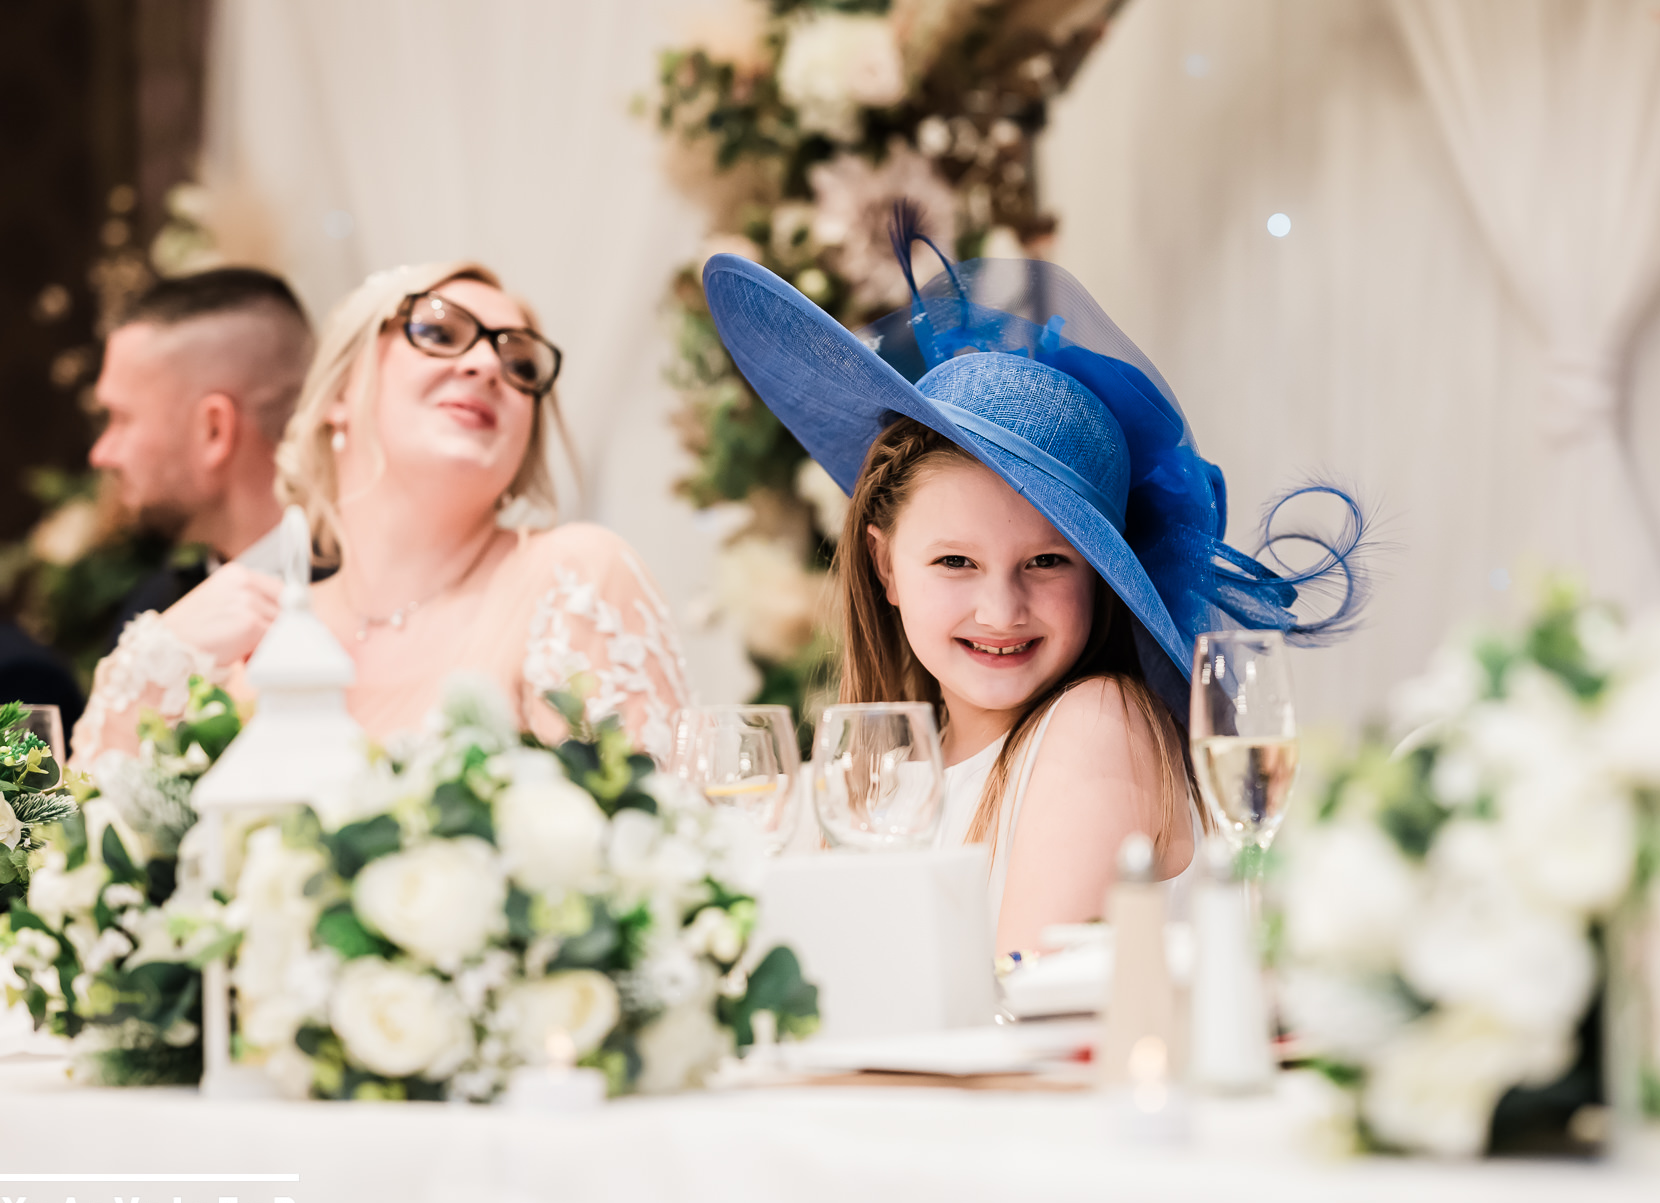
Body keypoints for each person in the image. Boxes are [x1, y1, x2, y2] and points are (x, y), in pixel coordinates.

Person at [703, 209, 1366, 954]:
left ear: (1100, 580)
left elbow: (1023, 1018)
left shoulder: (1098, 721)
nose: (1000, 608)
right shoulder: (891, 778)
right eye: (956, 561)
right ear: (885, 564)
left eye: (1047, 562)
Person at [73, 261, 687, 765]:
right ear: (339, 392)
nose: (486, 366)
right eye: (440, 332)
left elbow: (655, 866)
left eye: (521, 363)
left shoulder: (570, 581)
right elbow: (78, 864)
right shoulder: (245, 639)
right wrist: (150, 666)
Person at [90, 267, 316, 641]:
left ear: (214, 431)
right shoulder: (154, 610)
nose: (102, 454)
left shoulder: (366, 596)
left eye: (121, 419)